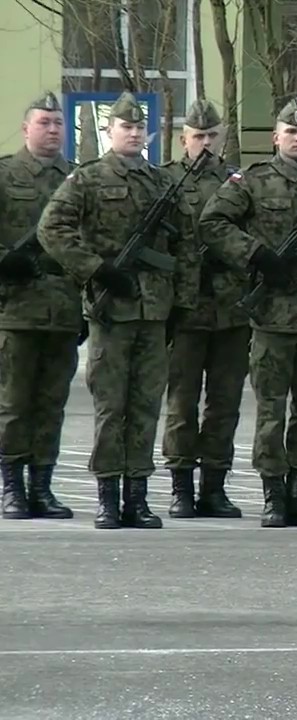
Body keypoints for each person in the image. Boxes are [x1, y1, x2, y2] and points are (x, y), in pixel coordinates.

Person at [39, 91, 199, 529]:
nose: (132, 133)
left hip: (154, 312)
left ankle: (138, 496)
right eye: (124, 127)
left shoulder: (163, 183)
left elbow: (186, 246)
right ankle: (108, 495)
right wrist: (95, 269)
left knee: (146, 406)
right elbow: (51, 228)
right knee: (111, 407)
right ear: (111, 131)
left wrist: (182, 304)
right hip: (112, 312)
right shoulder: (88, 179)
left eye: (137, 127)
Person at [200, 97, 297, 529]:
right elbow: (212, 223)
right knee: (271, 407)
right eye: (291, 132)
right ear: (276, 137)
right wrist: (255, 255)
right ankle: (273, 491)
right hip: (272, 313)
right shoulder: (251, 182)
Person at [160, 98, 246, 520]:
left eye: (212, 136)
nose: (206, 143)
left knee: (224, 403)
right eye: (198, 136)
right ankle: (181, 487)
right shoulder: (165, 181)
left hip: (231, 309)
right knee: (181, 402)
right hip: (185, 309)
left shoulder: (239, 182)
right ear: (183, 140)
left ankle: (214, 486)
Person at [0, 92, 78, 520]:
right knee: (14, 403)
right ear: (26, 127)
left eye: (57, 123)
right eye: (44, 122)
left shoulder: (77, 178)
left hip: (63, 309)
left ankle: (42, 487)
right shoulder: (6, 174)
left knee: (52, 403)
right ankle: (11, 487)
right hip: (15, 309)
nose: (52, 130)